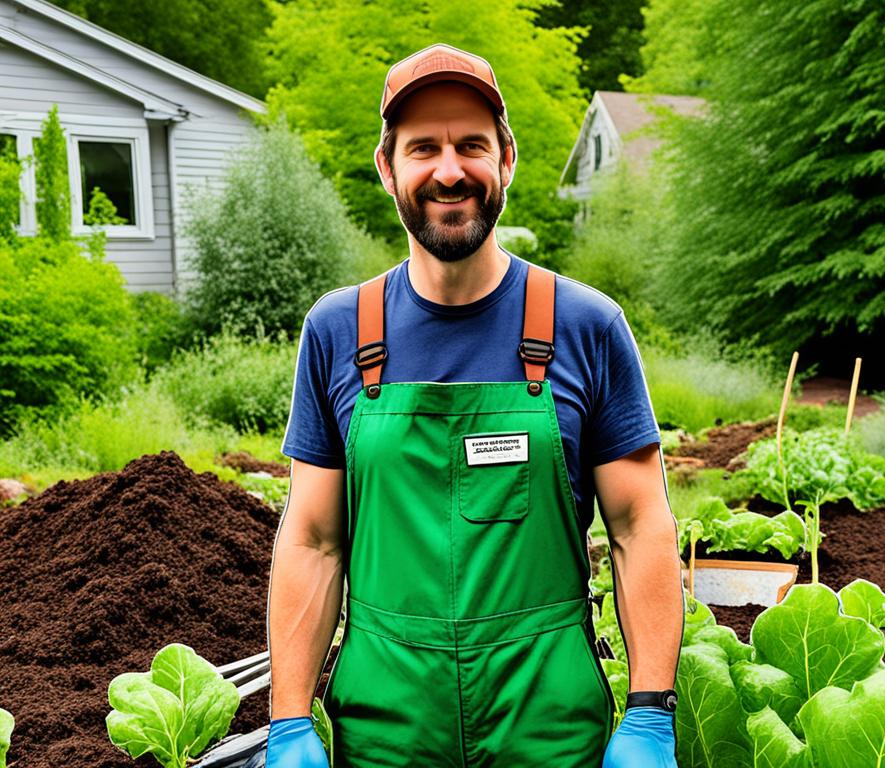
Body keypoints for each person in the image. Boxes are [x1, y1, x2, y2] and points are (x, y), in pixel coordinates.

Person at [265, 43, 683, 768]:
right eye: (424, 146)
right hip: (384, 734)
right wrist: (287, 720)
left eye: (472, 145)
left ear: (507, 160)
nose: (450, 170)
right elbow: (311, 540)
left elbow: (639, 525)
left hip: (548, 732)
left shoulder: (585, 325)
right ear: (387, 167)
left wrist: (649, 713)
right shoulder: (337, 331)